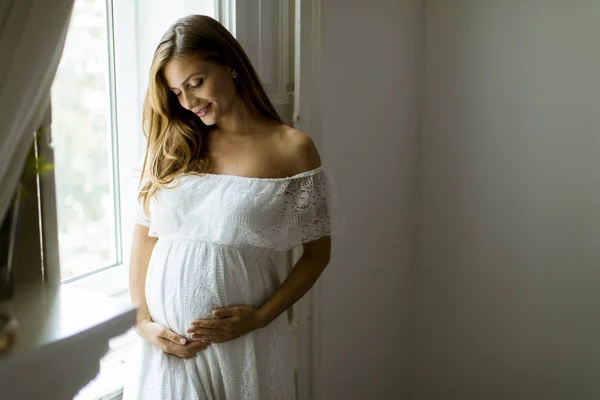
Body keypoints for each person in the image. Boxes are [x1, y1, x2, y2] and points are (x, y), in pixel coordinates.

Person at [122, 15, 343, 400]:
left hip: (241, 343)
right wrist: (142, 321)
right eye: (176, 92)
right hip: (165, 345)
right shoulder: (174, 145)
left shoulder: (291, 149)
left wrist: (262, 317)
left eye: (196, 82)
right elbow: (144, 238)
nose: (188, 102)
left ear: (231, 66)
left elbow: (316, 254)